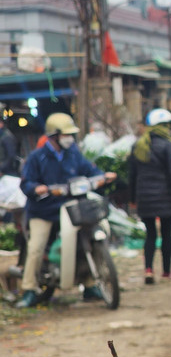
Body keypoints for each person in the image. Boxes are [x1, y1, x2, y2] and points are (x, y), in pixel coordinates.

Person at [16, 113, 117, 308]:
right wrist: (37, 188)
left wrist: (102, 176)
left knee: (85, 238)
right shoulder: (38, 157)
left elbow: (89, 170)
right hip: (44, 210)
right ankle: (29, 289)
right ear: (54, 136)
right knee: (36, 247)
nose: (70, 138)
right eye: (66, 135)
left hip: (70, 207)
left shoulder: (73, 153)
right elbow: (26, 183)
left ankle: (89, 285)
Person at [128, 109, 171, 285]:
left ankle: (148, 270)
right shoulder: (166, 145)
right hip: (164, 197)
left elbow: (132, 175)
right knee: (166, 234)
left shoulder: (138, 145)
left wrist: (132, 198)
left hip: (144, 197)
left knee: (150, 234)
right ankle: (166, 272)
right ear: (164, 127)